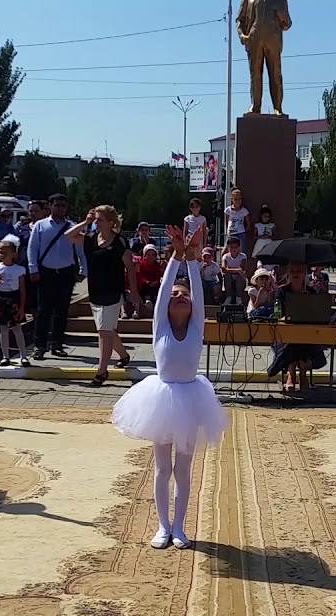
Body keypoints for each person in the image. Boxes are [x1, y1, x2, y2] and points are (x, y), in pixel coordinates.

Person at [111, 226, 229, 551]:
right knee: (162, 467)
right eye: (174, 296)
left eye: (184, 295)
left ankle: (179, 526)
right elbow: (163, 289)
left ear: (192, 307)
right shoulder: (159, 327)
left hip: (192, 400)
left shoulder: (196, 328)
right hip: (160, 401)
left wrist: (191, 259)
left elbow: (199, 294)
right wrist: (176, 257)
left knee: (183, 468)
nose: (179, 297)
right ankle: (162, 527)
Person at [65, 205, 141, 386]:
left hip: (113, 291)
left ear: (111, 222)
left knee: (103, 332)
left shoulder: (119, 242)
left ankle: (102, 371)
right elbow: (68, 236)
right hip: (95, 291)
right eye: (96, 219)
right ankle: (123, 355)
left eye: (100, 219)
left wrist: (134, 293)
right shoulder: (90, 239)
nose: (96, 223)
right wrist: (86, 222)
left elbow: (130, 268)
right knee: (106, 329)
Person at [27, 194, 86, 360]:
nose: (60, 208)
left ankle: (57, 344)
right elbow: (32, 249)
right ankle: (39, 346)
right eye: (57, 205)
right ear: (50, 207)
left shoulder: (73, 227)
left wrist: (83, 270)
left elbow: (81, 251)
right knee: (43, 311)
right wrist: (33, 269)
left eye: (63, 206)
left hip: (66, 272)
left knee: (61, 311)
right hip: (46, 272)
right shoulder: (40, 225)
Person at [270, 262, 329, 392]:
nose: (296, 274)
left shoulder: (311, 292)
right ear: (289, 274)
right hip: (285, 333)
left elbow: (318, 314)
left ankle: (303, 375)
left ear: (304, 274)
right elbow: (276, 313)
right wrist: (282, 318)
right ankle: (291, 375)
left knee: (305, 343)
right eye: (293, 271)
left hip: (306, 332)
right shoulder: (281, 291)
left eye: (299, 271)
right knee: (292, 344)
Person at [0, 237, 30, 367]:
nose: (2, 255)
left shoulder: (19, 270)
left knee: (17, 328)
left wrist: (22, 307)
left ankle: (24, 356)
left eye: (5, 252)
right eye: (0, 252)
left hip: (13, 299)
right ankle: (5, 356)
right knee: (3, 329)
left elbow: (22, 290)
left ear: (13, 254)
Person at [221, 237, 249, 306]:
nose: (233, 249)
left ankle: (238, 298)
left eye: (235, 247)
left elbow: (243, 270)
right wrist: (237, 270)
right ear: (228, 247)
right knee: (227, 276)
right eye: (231, 247)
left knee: (239, 276)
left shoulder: (243, 256)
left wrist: (231, 270)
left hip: (240, 279)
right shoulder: (226, 256)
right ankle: (228, 298)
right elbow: (224, 269)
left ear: (239, 247)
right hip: (230, 278)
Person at [138, 244, 164, 317]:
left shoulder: (157, 265)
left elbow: (158, 276)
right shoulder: (141, 264)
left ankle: (155, 304)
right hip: (144, 284)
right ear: (145, 255)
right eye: (148, 254)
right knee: (146, 288)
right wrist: (146, 281)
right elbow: (140, 275)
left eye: (153, 254)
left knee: (157, 289)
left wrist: (155, 282)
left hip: (154, 284)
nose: (150, 256)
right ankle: (147, 301)